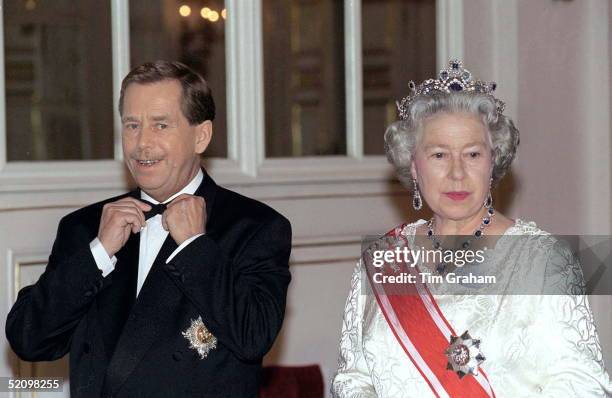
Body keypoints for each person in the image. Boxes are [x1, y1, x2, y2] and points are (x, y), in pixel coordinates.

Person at [6, 61, 292, 398]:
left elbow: (252, 337)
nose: (142, 143)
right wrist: (99, 252)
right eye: (132, 125)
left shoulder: (254, 227)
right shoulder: (85, 227)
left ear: (201, 135)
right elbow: (29, 339)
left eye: (160, 125)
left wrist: (195, 247)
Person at [331, 60, 611, 397]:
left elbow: (582, 387)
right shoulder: (381, 260)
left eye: (473, 154)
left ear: (493, 162)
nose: (457, 173)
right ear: (413, 166)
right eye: (438, 155)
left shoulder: (542, 260)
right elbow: (352, 380)